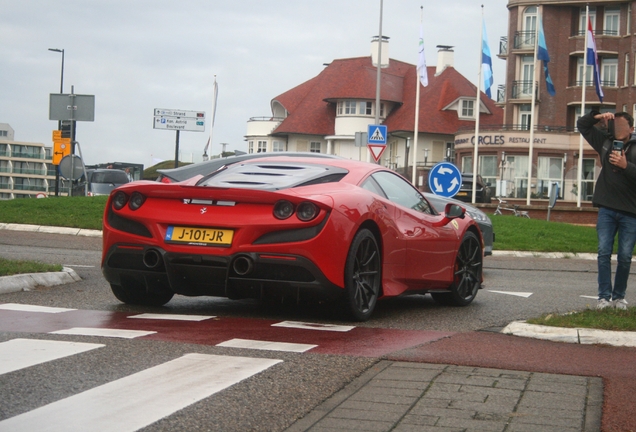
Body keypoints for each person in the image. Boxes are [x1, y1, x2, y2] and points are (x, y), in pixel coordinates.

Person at [578, 111, 636, 310]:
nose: (618, 129)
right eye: (615, 125)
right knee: (603, 252)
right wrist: (597, 116)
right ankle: (603, 298)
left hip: (631, 212)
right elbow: (582, 125)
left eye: (622, 126)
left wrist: (625, 165)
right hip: (606, 208)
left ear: (632, 129)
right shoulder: (604, 141)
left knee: (625, 256)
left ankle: (619, 297)